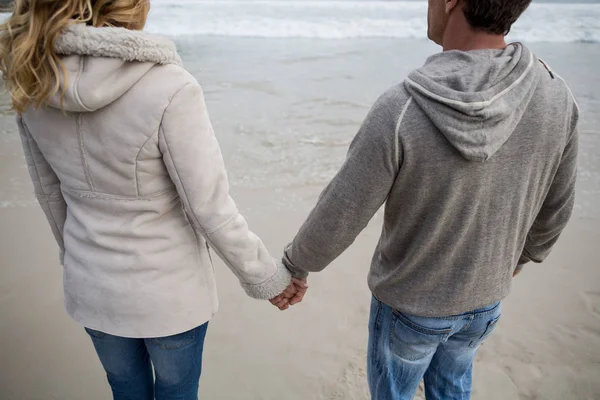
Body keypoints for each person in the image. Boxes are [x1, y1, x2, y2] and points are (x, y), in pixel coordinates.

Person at [0, 1, 305, 399]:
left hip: (91, 287)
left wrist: (74, 258)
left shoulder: (34, 79)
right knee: (178, 392)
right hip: (170, 297)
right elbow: (209, 208)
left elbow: (50, 195)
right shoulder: (170, 85)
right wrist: (267, 277)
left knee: (126, 389)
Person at [274, 0, 579, 398]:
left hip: (410, 305)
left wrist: (295, 266)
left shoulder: (402, 108)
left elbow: (343, 210)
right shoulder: (556, 94)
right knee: (452, 387)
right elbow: (556, 210)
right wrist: (513, 263)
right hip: (485, 301)